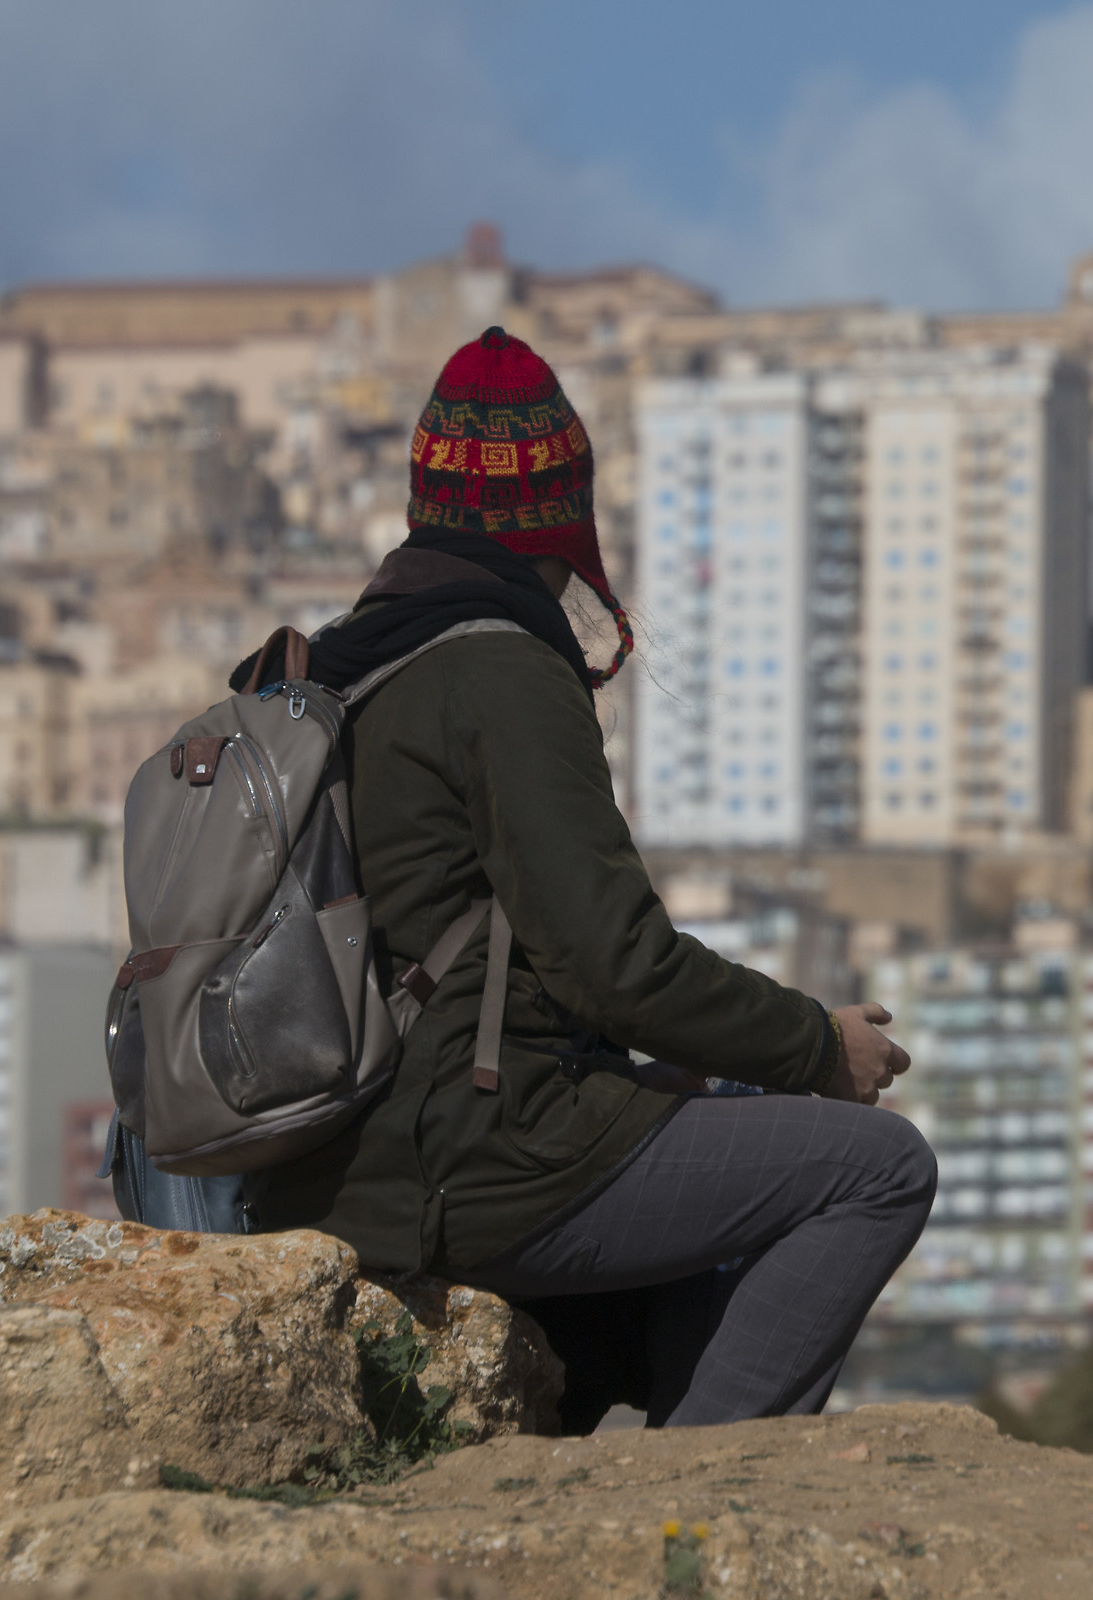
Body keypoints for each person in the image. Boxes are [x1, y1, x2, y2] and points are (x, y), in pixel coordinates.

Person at [249, 327, 932, 1428]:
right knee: (877, 1167)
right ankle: (702, 1503)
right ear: (560, 518)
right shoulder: (500, 669)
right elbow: (617, 962)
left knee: (723, 1124)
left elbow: (512, 970)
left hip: (340, 1161)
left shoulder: (351, 663)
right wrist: (819, 1045)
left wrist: (656, 1081)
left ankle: (644, 1438)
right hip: (465, 1165)